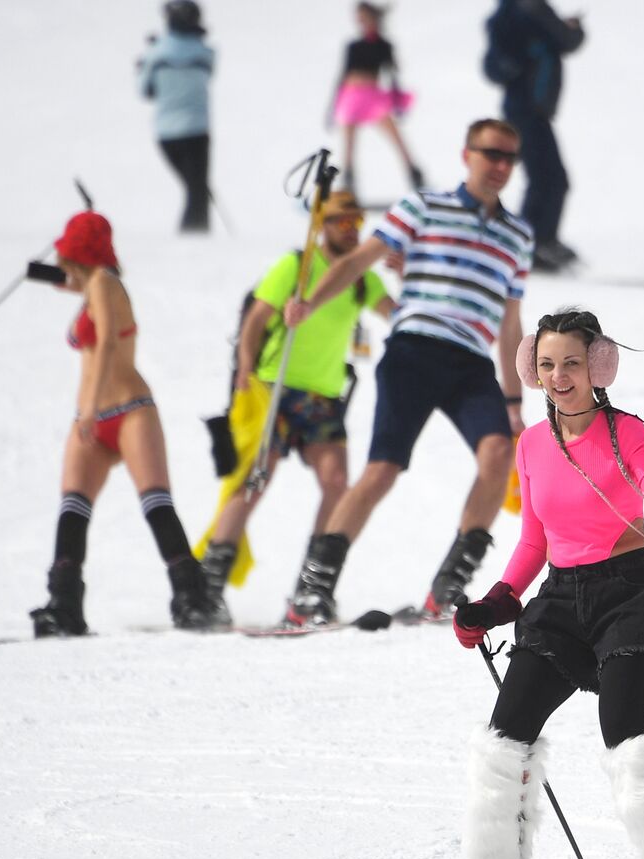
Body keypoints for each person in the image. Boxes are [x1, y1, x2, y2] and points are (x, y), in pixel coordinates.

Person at [446, 310, 644, 859]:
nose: (558, 376)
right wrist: (496, 603)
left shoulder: (625, 431)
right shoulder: (530, 443)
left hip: (631, 594)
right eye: (546, 365)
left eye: (571, 363)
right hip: (560, 599)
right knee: (506, 734)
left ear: (598, 366)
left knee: (625, 728)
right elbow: (532, 543)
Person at [279, 119, 532, 626]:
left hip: (470, 359)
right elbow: (358, 263)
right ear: (468, 154)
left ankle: (449, 587)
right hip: (414, 347)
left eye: (509, 158)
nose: (501, 166)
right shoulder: (423, 206)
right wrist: (310, 300)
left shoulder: (518, 234)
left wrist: (513, 398)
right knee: (382, 470)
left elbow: (510, 323)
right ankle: (311, 591)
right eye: (491, 154)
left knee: (500, 451)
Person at [30, 212, 224, 636]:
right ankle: (64, 604)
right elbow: (68, 284)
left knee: (155, 503)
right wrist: (36, 271)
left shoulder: (104, 283)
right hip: (94, 418)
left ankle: (192, 597)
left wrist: (91, 407)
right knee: (73, 507)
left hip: (128, 409)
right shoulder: (91, 287)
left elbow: (106, 345)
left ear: (77, 252)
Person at [194, 192, 394, 605]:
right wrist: (245, 373)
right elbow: (257, 319)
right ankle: (207, 588)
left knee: (336, 483)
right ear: (322, 223)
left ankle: (311, 585)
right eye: (341, 222)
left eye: (355, 222)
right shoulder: (297, 266)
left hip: (323, 394)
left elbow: (396, 311)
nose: (350, 230)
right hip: (275, 386)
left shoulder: (361, 276)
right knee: (253, 481)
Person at [485, 0, 585, 272]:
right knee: (546, 179)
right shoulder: (509, 14)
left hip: (536, 111)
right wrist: (515, 61)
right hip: (522, 110)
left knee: (551, 179)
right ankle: (528, 246)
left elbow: (565, 41)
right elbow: (493, 66)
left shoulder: (537, 8)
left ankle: (539, 242)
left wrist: (574, 30)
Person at [137, 0, 215, 233]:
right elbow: (209, 69)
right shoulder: (204, 52)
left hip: (166, 134)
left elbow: (144, 90)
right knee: (197, 191)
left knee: (195, 190)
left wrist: (150, 56)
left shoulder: (156, 54)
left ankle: (193, 238)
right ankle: (195, 238)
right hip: (196, 131)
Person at [331, 2, 425, 193]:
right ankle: (349, 181)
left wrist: (398, 101)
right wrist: (333, 105)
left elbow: (392, 75)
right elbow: (343, 75)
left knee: (395, 136)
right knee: (349, 141)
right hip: (351, 95)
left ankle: (414, 173)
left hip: (371, 95)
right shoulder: (354, 46)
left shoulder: (383, 46)